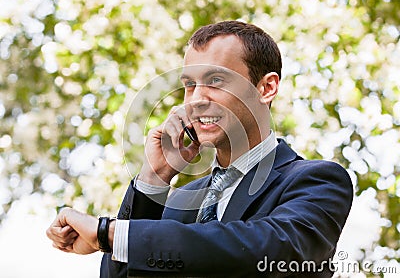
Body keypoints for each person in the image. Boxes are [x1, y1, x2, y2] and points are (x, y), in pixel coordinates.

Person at [46, 21, 353, 277]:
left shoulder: (317, 181)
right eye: (189, 85)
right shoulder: (178, 205)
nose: (195, 100)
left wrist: (105, 233)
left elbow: (268, 251)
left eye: (216, 80)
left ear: (266, 88)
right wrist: (154, 179)